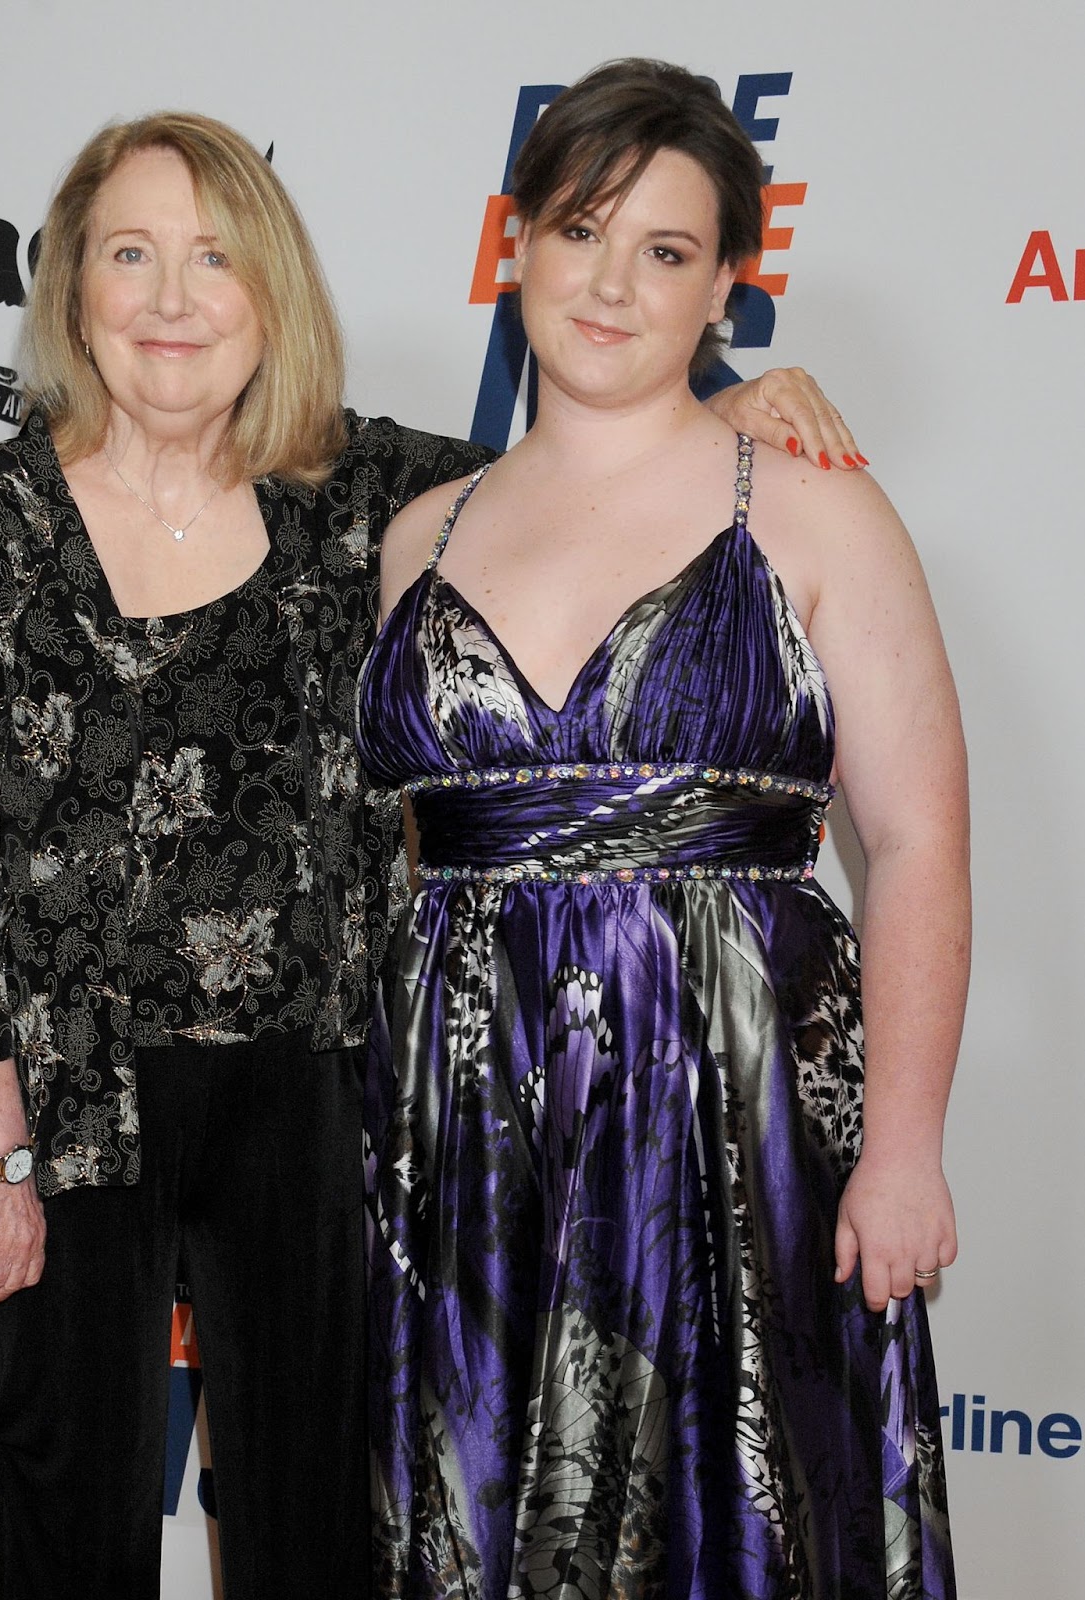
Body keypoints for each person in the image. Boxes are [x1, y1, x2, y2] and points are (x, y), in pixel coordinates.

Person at [0, 107, 864, 1600]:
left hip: (324, 1083)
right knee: (66, 1495)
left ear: (268, 291)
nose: (169, 300)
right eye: (129, 255)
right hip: (69, 1093)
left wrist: (728, 410)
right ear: (70, 286)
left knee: (313, 1513)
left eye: (213, 258)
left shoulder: (370, 501)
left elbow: (587, 468)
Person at [360, 59, 967, 1600]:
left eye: (666, 251)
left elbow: (914, 845)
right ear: (515, 248)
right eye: (578, 232)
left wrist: (899, 1149)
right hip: (470, 1123)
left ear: (725, 291)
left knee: (739, 1521)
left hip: (737, 1112)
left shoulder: (815, 508)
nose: (610, 285)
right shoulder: (416, 535)